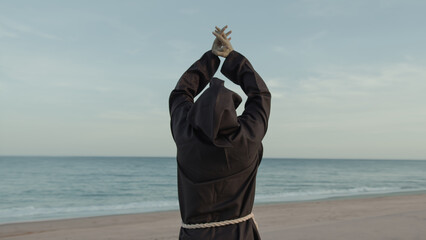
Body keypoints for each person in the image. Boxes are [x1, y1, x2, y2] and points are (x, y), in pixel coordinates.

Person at [169, 26, 271, 240]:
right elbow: (260, 96)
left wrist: (210, 59)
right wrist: (233, 58)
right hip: (239, 235)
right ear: (233, 112)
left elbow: (181, 94)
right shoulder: (247, 137)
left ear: (196, 111)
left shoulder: (185, 135)